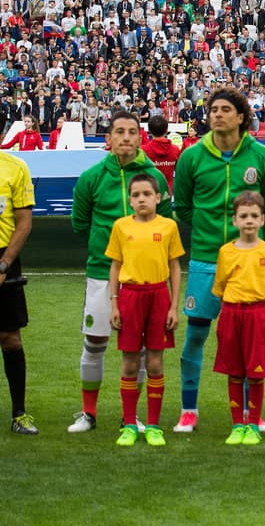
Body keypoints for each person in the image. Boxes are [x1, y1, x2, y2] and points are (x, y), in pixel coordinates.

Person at [172, 87, 265, 434]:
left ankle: (253, 413)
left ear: (241, 116)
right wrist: (210, 232)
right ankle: (189, 409)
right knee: (196, 336)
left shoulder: (261, 157)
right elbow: (184, 207)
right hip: (206, 259)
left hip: (250, 261)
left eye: (225, 109)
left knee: (252, 341)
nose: (217, 115)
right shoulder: (191, 158)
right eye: (213, 110)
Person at [68, 109, 171, 433]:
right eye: (120, 132)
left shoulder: (154, 176)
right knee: (95, 341)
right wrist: (108, 248)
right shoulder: (91, 178)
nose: (126, 137)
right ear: (108, 139)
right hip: (102, 272)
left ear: (140, 138)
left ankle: (132, 417)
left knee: (139, 352)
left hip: (144, 281)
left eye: (132, 132)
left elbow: (166, 220)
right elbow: (80, 223)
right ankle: (88, 413)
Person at [107, 174, 183, 447]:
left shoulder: (168, 227)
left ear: (158, 197)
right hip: (130, 297)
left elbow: (174, 266)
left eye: (147, 194)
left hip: (158, 296)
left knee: (154, 362)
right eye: (136, 195)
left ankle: (153, 426)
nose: (141, 199)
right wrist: (114, 303)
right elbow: (115, 266)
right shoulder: (121, 226)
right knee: (129, 363)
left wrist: (174, 305)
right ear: (129, 200)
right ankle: (129, 425)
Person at [212, 192, 265, 447]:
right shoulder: (226, 252)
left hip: (258, 316)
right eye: (244, 216)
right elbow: (220, 289)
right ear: (235, 221)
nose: (249, 221)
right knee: (234, 372)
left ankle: (253, 424)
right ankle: (237, 425)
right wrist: (228, 316)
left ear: (263, 220)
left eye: (254, 216)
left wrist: (264, 318)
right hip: (232, 314)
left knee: (255, 374)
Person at [0, 150, 34, 434]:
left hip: (4, 259)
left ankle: (19, 414)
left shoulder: (15, 167)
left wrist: (4, 264)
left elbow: (23, 222)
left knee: (10, 338)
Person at [140, 114, 181, 192]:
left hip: (148, 193)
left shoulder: (143, 150)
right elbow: (181, 173)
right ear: (166, 130)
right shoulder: (175, 150)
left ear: (149, 130)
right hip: (167, 192)